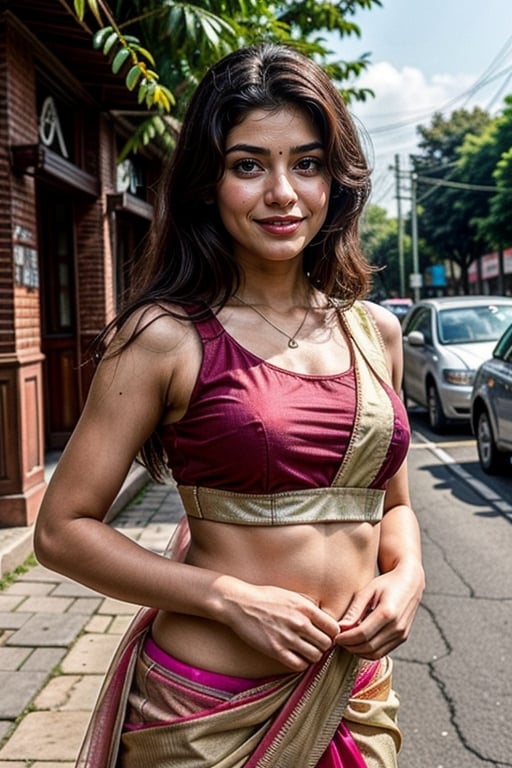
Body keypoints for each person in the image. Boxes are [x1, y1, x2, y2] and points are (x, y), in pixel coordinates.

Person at [34, 42, 425, 768]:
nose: (283, 192)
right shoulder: (164, 336)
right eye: (249, 165)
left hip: (356, 699)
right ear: (208, 183)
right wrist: (227, 598)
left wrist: (407, 576)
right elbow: (61, 531)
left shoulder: (377, 332)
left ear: (335, 181)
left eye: (306, 163)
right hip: (204, 715)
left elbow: (391, 504)